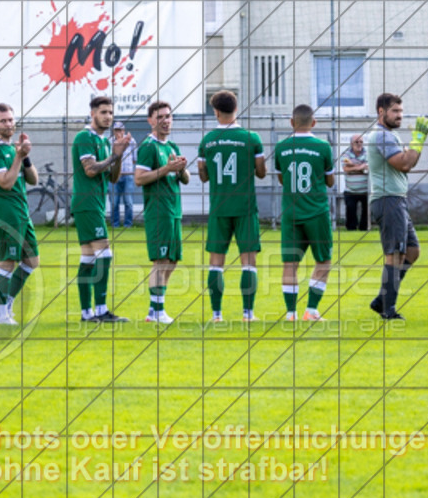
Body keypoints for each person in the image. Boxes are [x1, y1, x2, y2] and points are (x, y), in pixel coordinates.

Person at [197, 90, 266, 322]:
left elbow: (204, 176)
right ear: (236, 109)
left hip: (219, 208)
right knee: (249, 262)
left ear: (216, 112)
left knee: (216, 263)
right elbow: (261, 172)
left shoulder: (207, 141)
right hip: (245, 208)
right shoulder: (252, 138)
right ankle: (248, 313)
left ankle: (217, 315)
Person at [366, 93, 428, 320]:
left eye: (401, 112)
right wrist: (418, 139)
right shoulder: (382, 136)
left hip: (396, 199)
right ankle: (388, 309)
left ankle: (382, 299)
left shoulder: (389, 135)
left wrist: (417, 141)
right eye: (395, 111)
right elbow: (405, 164)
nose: (400, 116)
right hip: (388, 199)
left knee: (412, 251)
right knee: (395, 254)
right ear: (381, 112)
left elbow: (408, 162)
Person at [71, 96, 130, 322]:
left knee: (89, 259)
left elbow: (113, 178)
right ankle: (101, 310)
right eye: (103, 112)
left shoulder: (105, 141)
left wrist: (119, 154)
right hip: (86, 203)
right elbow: (90, 170)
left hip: (94, 203)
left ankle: (87, 313)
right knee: (105, 254)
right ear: (93, 113)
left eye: (111, 113)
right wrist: (114, 155)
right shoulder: (84, 137)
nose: (108, 117)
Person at [274, 104, 334, 321]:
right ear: (314, 122)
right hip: (316, 211)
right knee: (324, 260)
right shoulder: (323, 147)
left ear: (292, 122)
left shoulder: (281, 147)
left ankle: (291, 313)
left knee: (290, 264)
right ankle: (311, 310)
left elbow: (282, 179)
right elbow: (330, 180)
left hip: (291, 213)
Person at [0, 103, 39, 326]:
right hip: (5, 213)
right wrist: (17, 157)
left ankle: (8, 302)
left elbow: (33, 180)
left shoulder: (11, 149)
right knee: (7, 261)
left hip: (21, 211)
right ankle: (1, 314)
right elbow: (5, 183)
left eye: (11, 120)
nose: (8, 124)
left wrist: (25, 157)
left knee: (32, 261)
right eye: (3, 121)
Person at [134, 101, 190, 324]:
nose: (166, 121)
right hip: (158, 211)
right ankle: (155, 311)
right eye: (160, 117)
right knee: (161, 260)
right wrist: (167, 168)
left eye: (168, 116)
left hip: (174, 210)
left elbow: (184, 179)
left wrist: (181, 168)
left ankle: (156, 309)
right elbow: (139, 178)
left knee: (172, 260)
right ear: (151, 121)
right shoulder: (148, 146)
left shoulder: (172, 146)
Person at [110, 121, 138, 228]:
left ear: (124, 131)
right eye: (116, 130)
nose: (118, 132)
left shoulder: (131, 141)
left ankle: (128, 225)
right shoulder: (110, 141)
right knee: (114, 202)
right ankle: (115, 225)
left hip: (128, 175)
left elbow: (135, 159)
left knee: (128, 202)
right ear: (113, 131)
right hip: (113, 176)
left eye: (120, 130)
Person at [340, 134, 369, 231]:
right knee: (350, 210)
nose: (359, 144)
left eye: (361, 142)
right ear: (351, 143)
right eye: (357, 142)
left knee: (366, 212)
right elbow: (345, 169)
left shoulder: (368, 153)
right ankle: (351, 229)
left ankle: (364, 229)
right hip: (350, 190)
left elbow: (369, 168)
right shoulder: (346, 154)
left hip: (366, 190)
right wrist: (361, 166)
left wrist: (352, 165)